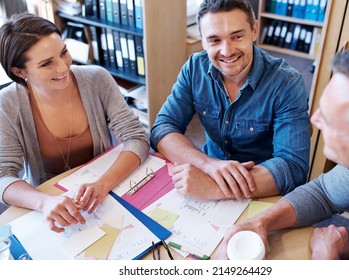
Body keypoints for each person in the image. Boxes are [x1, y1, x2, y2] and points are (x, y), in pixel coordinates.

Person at [217, 45, 349, 260]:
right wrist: (260, 222)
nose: (315, 120)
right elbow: (325, 193)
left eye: (331, 120)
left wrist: (326, 260)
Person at [0, 13, 149, 232]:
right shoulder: (7, 103)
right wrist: (44, 202)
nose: (63, 68)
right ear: (20, 72)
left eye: (63, 53)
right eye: (47, 64)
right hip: (49, 201)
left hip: (104, 189)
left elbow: (137, 138)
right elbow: (3, 176)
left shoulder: (97, 78)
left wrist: (103, 184)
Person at [150, 0, 310, 201]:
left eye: (236, 36)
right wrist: (208, 165)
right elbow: (163, 128)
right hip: (207, 169)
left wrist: (214, 187)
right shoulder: (194, 68)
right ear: (202, 41)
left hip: (261, 187)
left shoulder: (287, 82)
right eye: (215, 40)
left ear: (254, 31)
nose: (227, 51)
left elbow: (293, 167)